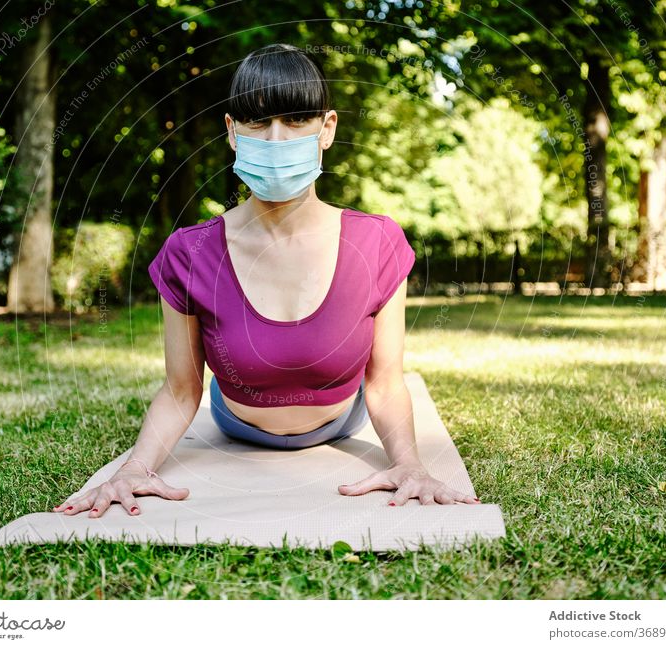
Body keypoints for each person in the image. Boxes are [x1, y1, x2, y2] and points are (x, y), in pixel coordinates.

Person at [53, 43, 481, 518]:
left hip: (342, 418)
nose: (277, 140)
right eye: (258, 122)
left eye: (296, 120)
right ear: (233, 133)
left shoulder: (377, 242)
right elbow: (181, 390)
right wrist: (134, 469)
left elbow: (382, 383)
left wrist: (410, 465)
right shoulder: (188, 253)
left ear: (328, 129)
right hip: (234, 420)